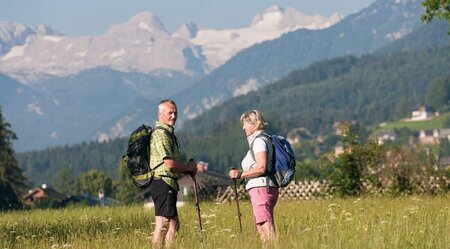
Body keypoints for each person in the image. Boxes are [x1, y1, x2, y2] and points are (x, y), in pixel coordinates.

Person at [149, 99, 198, 248]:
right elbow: (169, 164)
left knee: (173, 223)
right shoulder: (161, 135)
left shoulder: (167, 133)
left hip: (165, 183)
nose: (173, 116)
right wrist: (188, 168)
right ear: (160, 114)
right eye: (170, 113)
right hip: (163, 182)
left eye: (175, 113)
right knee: (163, 224)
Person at [229, 110, 279, 243]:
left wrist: (240, 174)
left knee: (266, 230)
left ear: (255, 124)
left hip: (261, 188)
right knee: (262, 228)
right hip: (265, 187)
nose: (243, 127)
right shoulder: (263, 139)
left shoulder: (259, 142)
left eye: (246, 124)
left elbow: (261, 167)